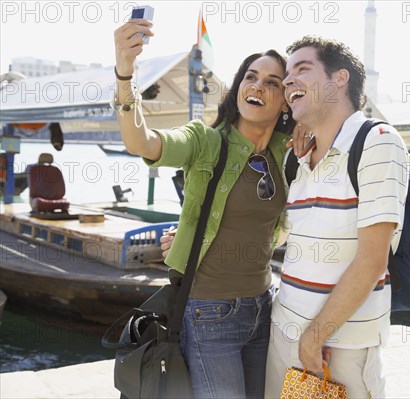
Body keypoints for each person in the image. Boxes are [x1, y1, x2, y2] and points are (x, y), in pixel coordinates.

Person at [113, 19, 300, 399]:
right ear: (237, 89)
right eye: (251, 76)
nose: (257, 86)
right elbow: (142, 142)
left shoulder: (288, 153)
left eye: (272, 83)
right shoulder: (205, 141)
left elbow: (278, 229)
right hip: (209, 312)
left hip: (265, 308)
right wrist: (125, 72)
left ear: (285, 101)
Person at [265, 36, 409, 398]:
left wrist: (313, 341)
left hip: (339, 348)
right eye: (286, 76)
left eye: (302, 69)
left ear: (339, 79)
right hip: (285, 333)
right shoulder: (301, 157)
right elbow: (282, 238)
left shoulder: (377, 140)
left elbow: (373, 258)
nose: (287, 82)